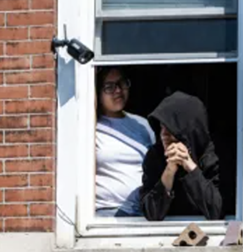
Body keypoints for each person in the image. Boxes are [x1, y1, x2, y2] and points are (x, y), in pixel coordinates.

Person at [140, 91, 223, 221]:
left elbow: (216, 210)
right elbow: (151, 214)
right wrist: (169, 172)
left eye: (170, 128)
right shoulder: (155, 157)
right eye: (161, 128)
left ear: (187, 129)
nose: (164, 135)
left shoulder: (212, 157)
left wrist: (190, 167)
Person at [95, 67, 155, 218]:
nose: (118, 90)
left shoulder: (142, 124)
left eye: (122, 83)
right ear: (97, 92)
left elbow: (155, 166)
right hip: (106, 212)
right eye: (109, 87)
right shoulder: (91, 127)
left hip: (142, 212)